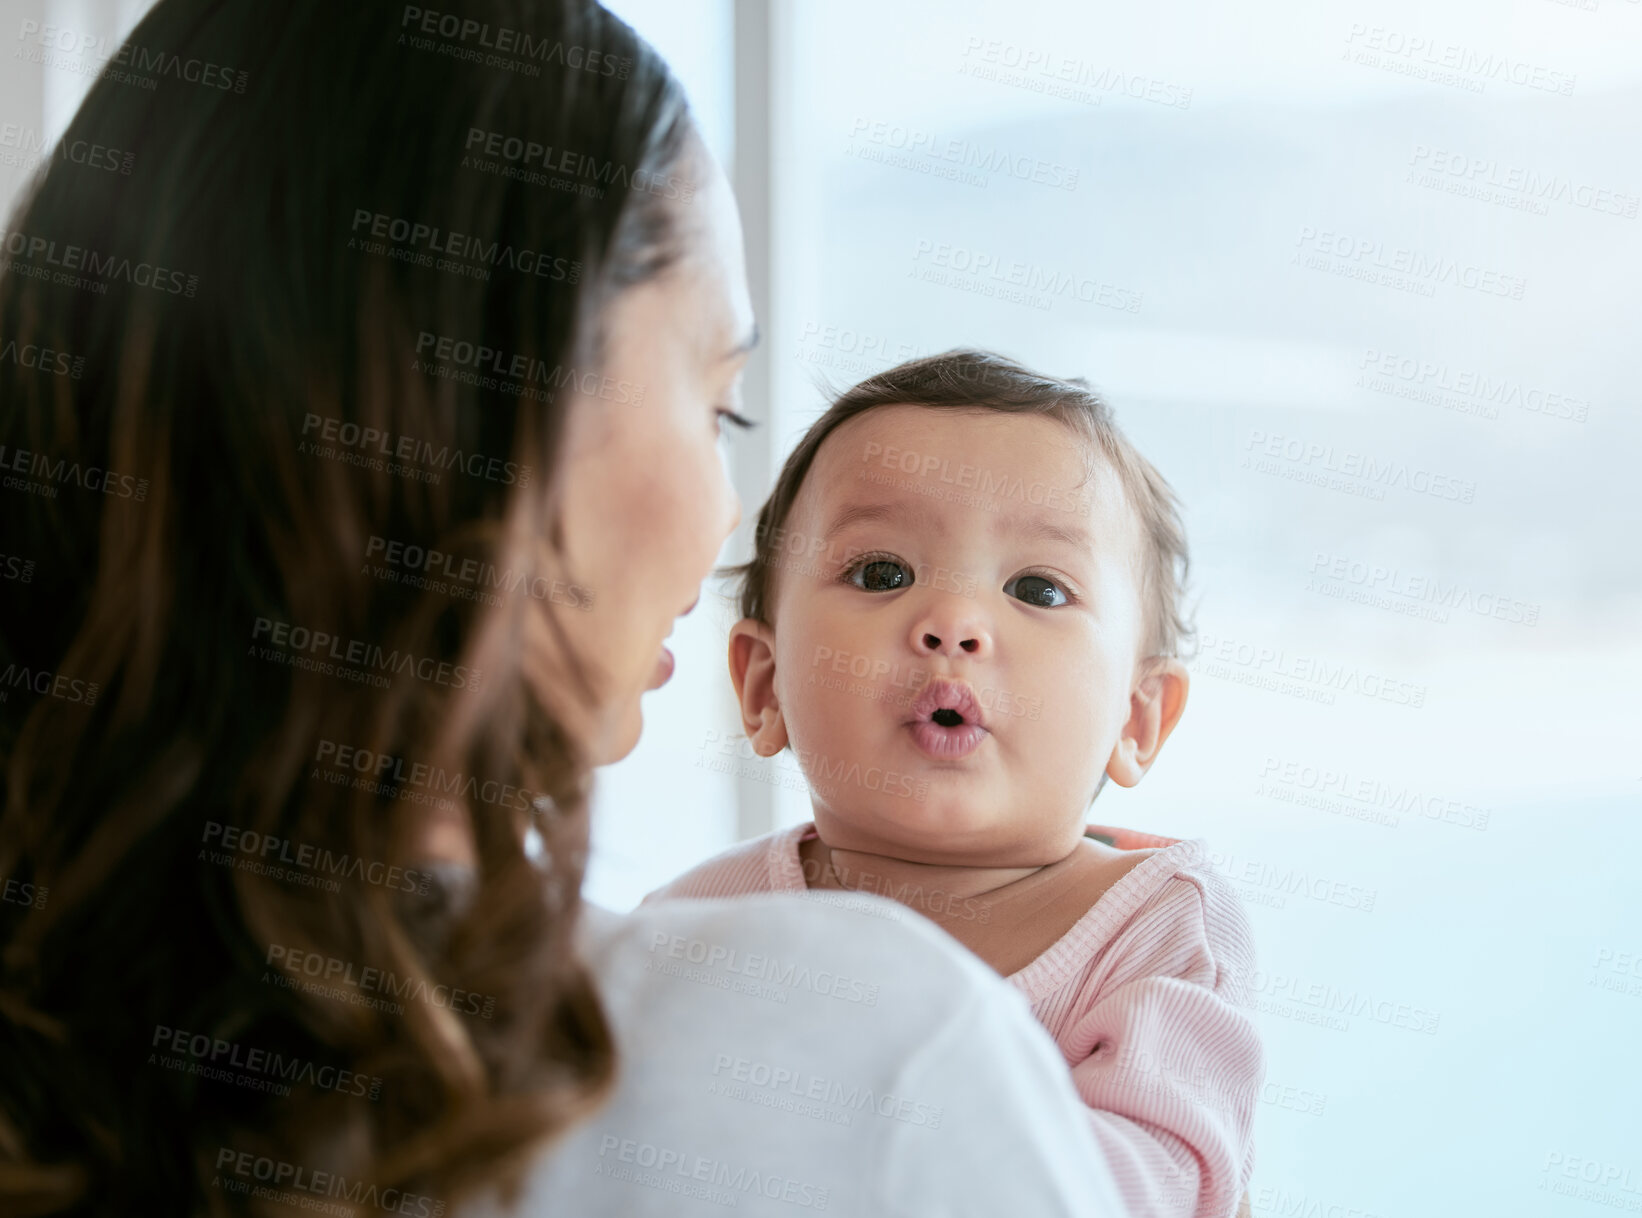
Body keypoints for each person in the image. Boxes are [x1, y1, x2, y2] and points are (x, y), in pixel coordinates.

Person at [0, 1, 1128, 1214]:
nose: (722, 515)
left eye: (1039, 589)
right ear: (483, 410)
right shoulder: (872, 1063)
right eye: (717, 409)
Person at [646, 351, 1266, 1217]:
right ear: (763, 684)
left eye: (1037, 588)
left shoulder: (1156, 928)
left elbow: (1149, 1188)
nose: (953, 625)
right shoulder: (700, 924)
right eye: (881, 574)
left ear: (1138, 717)